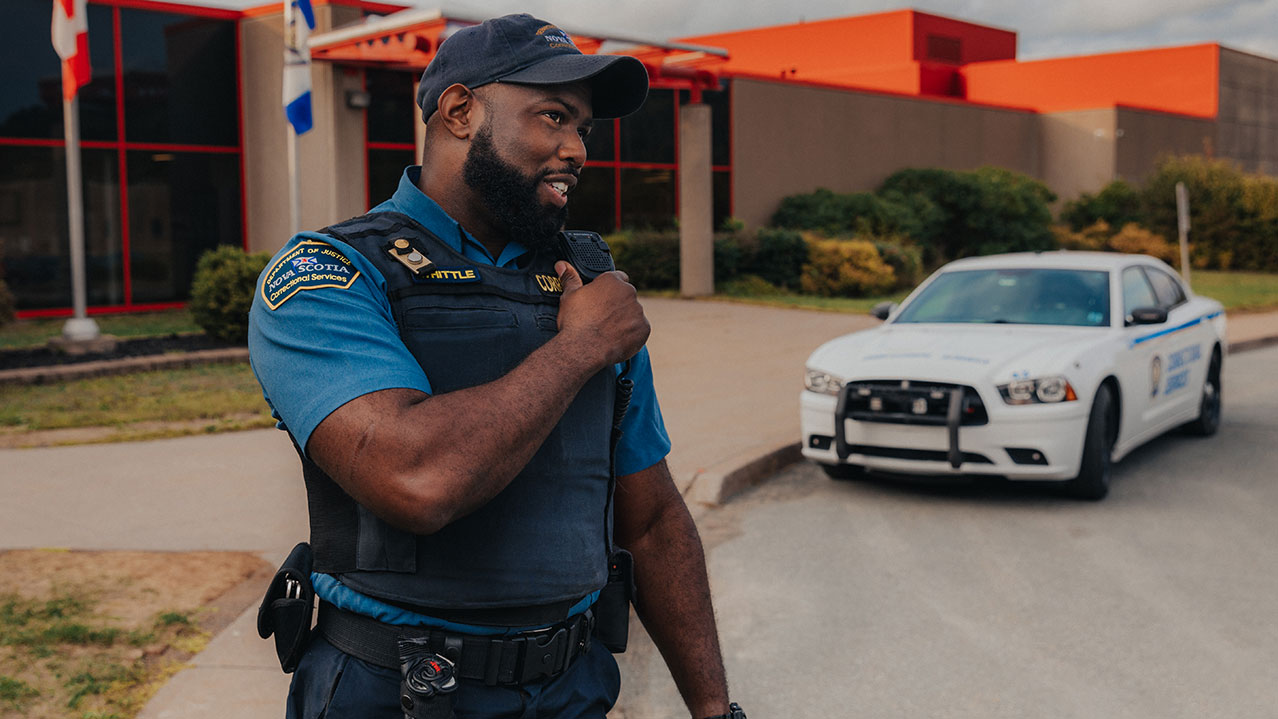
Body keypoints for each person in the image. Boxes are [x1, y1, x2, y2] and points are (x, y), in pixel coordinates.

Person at [248, 13, 744, 719]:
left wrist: (715, 709)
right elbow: (417, 478)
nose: (576, 148)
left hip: (572, 688)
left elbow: (654, 519)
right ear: (459, 110)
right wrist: (577, 349)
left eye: (585, 130)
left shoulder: (588, 283)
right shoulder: (331, 274)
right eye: (553, 117)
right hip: (396, 694)